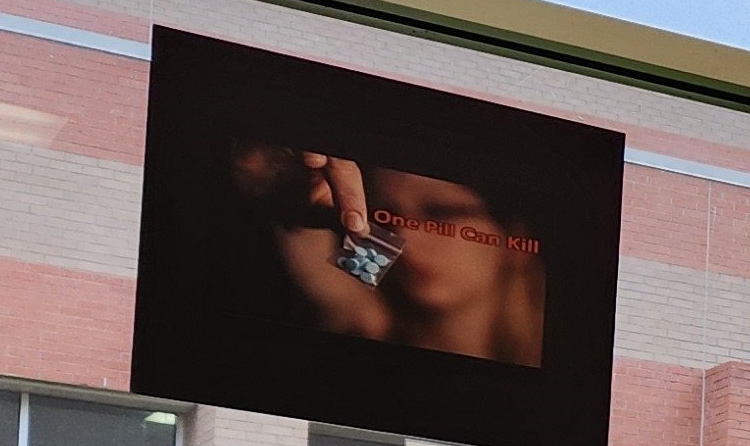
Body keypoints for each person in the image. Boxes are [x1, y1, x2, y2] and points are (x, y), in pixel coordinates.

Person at [229, 140, 551, 368]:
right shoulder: (355, 322)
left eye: (441, 214)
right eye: (386, 216)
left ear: (515, 241)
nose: (406, 236)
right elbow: (314, 238)